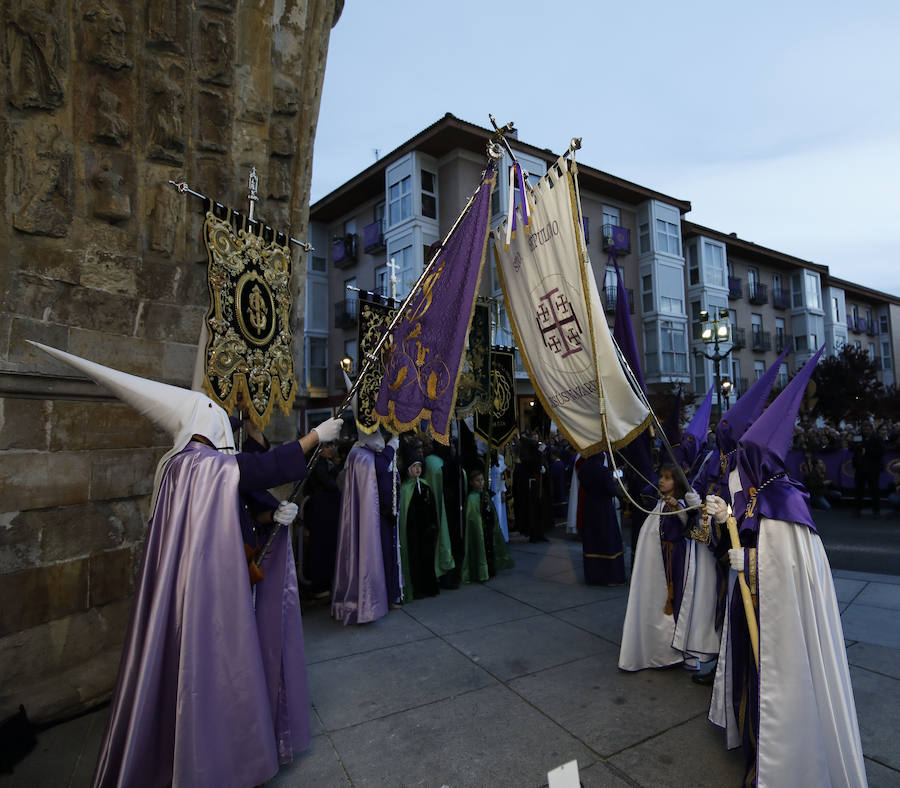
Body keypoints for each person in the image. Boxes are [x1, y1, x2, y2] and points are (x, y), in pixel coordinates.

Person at [28, 341, 343, 788]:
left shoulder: (182, 467)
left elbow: (236, 500)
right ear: (205, 419)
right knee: (207, 675)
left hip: (213, 580)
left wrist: (271, 515)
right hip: (207, 594)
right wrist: (314, 437)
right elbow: (256, 471)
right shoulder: (198, 466)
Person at [706, 347, 866, 788]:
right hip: (748, 605)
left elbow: (792, 568)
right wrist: (725, 524)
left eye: (747, 453)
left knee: (774, 688)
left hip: (780, 622)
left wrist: (750, 561)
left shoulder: (785, 498)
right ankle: (755, 748)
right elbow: (737, 536)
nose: (740, 461)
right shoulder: (753, 492)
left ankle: (774, 763)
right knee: (750, 679)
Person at [618, 464, 701, 671]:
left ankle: (669, 653)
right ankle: (655, 649)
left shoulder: (678, 503)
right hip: (657, 562)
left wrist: (679, 506)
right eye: (661, 476)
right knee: (654, 602)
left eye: (668, 478)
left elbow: (685, 521)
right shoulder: (658, 502)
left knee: (672, 604)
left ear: (678, 483)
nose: (662, 481)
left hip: (671, 562)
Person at [331, 427, 397, 625]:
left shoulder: (357, 454)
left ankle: (359, 602)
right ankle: (364, 603)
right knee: (363, 549)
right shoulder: (363, 457)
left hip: (366, 517)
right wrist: (392, 447)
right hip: (367, 520)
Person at [576, 452, 626, 585]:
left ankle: (593, 576)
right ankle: (610, 576)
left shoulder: (583, 469)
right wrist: (614, 482)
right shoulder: (603, 471)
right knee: (607, 539)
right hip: (604, 508)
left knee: (592, 540)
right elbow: (612, 491)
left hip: (589, 506)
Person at [303, 439, 343, 598]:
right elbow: (331, 484)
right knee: (321, 548)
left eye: (332, 445)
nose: (332, 448)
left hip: (326, 512)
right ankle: (319, 585)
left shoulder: (325, 463)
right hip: (320, 512)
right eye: (328, 446)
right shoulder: (318, 464)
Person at [398, 453, 440, 601]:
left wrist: (434, 523)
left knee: (427, 557)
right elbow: (404, 512)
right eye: (414, 466)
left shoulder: (425, 485)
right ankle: (418, 589)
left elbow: (432, 506)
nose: (417, 469)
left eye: (419, 466)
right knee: (415, 558)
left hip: (426, 529)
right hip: (412, 531)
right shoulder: (404, 489)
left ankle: (430, 587)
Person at [461, 468, 514, 583]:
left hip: (488, 528)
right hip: (480, 530)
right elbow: (473, 518)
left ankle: (490, 569)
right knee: (481, 549)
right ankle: (481, 572)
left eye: (482, 480)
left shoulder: (485, 494)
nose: (481, 483)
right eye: (477, 481)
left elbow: (491, 511)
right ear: (471, 482)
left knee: (489, 549)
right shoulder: (472, 498)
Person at [853, 420, 884, 516]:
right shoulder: (858, 437)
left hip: (872, 468)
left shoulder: (877, 438)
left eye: (867, 429)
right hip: (860, 468)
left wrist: (867, 452)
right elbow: (852, 449)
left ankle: (876, 510)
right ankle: (857, 510)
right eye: (864, 429)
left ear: (871, 429)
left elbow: (881, 451)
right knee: (859, 490)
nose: (865, 431)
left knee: (874, 490)